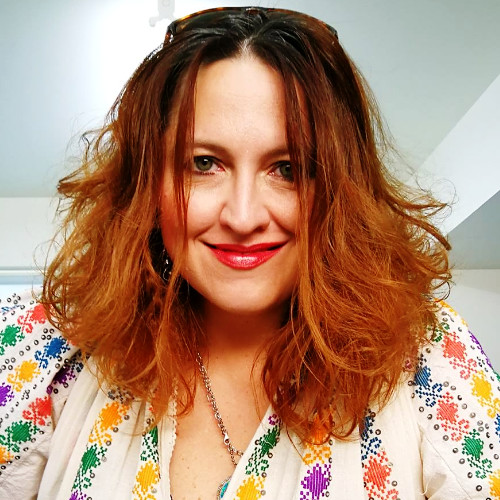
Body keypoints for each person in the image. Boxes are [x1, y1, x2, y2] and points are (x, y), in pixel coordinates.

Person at [0, 6, 498, 500]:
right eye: (204, 163)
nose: (242, 217)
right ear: (149, 184)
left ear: (341, 191)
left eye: (287, 169)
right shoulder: (46, 350)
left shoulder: (428, 360)